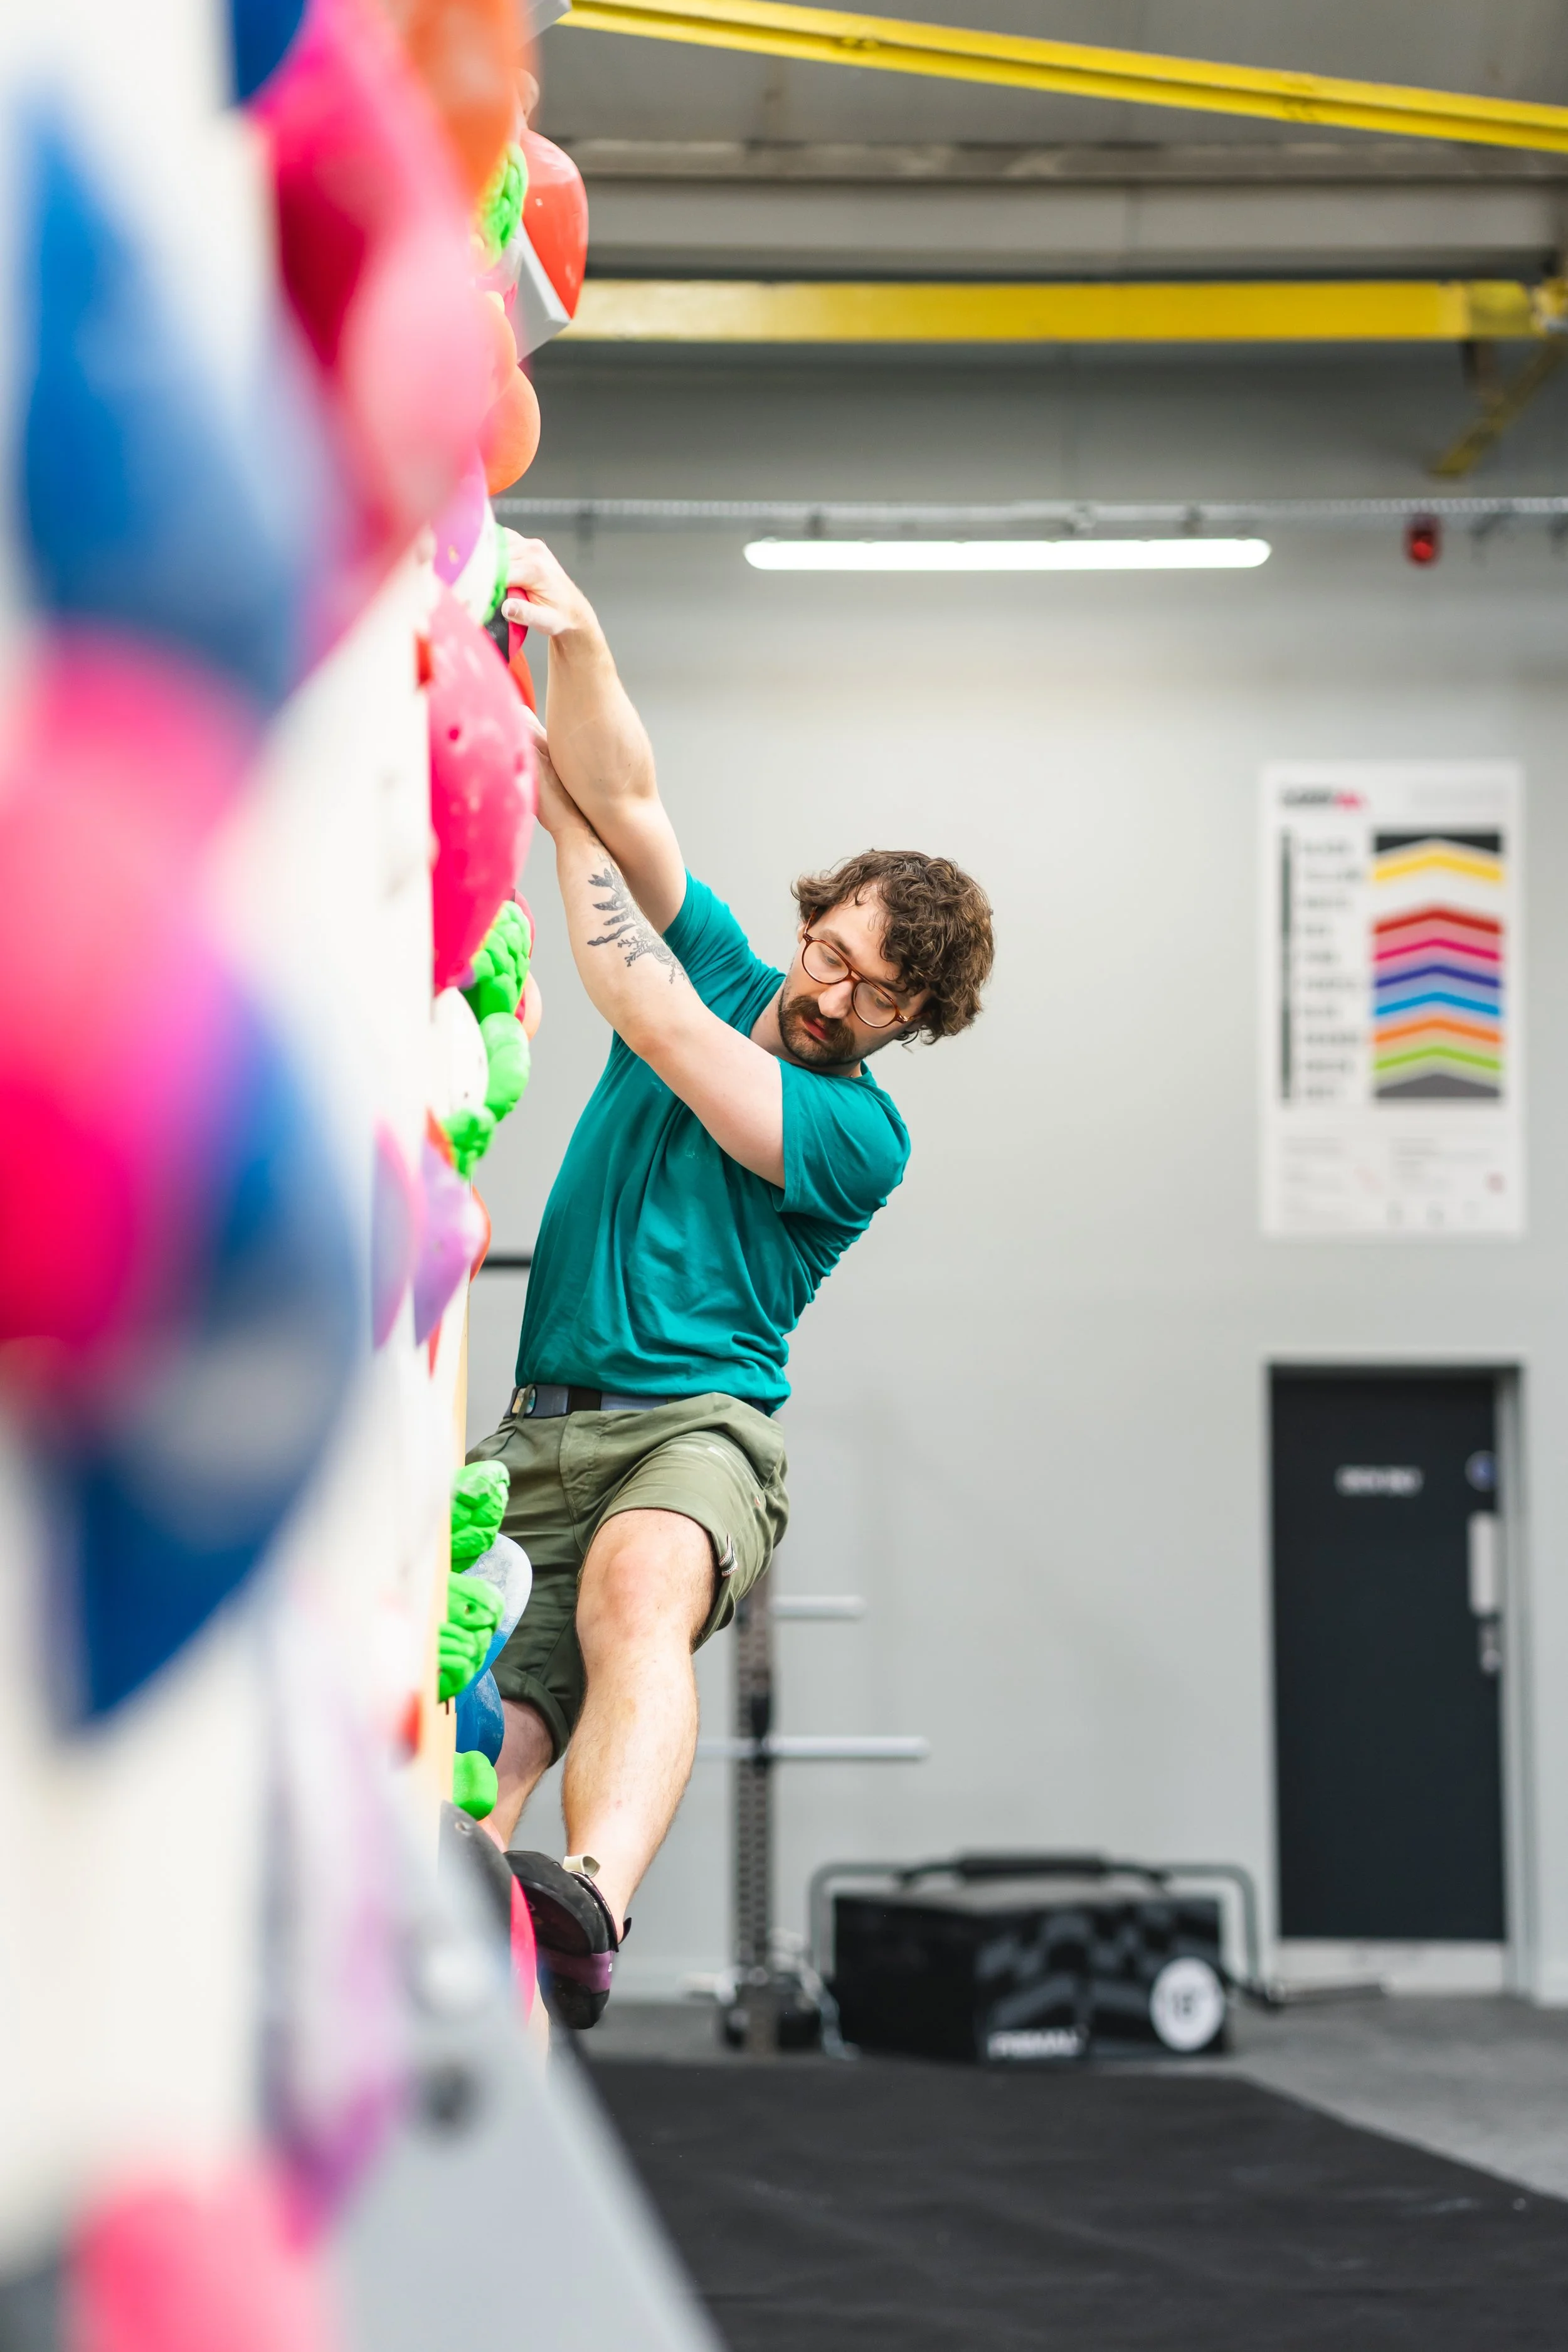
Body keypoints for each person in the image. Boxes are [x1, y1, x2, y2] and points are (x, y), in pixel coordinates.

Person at [468, 539, 994, 2027]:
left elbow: (633, 993)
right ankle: (476, 1972)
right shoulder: (726, 955)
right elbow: (629, 798)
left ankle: (591, 1902)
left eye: (867, 992)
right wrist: (580, 648)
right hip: (534, 1431)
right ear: (811, 917)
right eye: (825, 949)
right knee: (481, 1742)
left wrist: (544, 802)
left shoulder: (855, 1135)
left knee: (641, 1593)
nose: (823, 994)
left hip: (691, 1431)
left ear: (911, 1020)